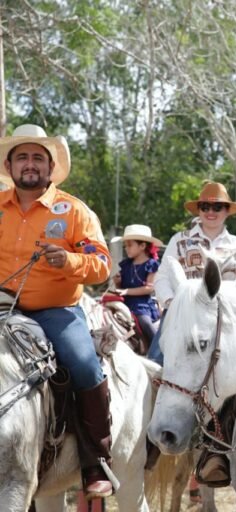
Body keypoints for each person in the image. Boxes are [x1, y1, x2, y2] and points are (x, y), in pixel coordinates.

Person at [0, 124, 115, 499]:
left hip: (56, 311)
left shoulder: (74, 210)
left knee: (83, 363)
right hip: (1, 307)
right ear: (9, 166)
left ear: (50, 167)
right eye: (22, 157)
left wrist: (68, 261)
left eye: (38, 157)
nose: (30, 164)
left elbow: (102, 266)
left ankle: (96, 460)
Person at [149, 181, 236, 365]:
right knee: (157, 362)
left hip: (227, 317)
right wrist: (173, 303)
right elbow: (162, 277)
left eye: (217, 207)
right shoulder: (179, 240)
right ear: (199, 210)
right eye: (205, 207)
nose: (210, 212)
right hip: (182, 312)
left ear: (227, 211)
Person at [110, 224, 163, 353]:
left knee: (145, 322)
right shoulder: (126, 264)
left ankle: (159, 351)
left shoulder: (151, 264)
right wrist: (118, 283)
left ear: (142, 246)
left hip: (141, 305)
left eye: (129, 245)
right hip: (124, 302)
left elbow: (149, 288)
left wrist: (127, 291)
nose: (126, 248)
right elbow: (121, 288)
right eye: (125, 246)